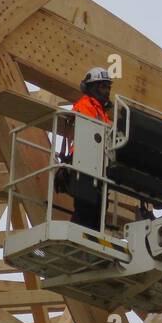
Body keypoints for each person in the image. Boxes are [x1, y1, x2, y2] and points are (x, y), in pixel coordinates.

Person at [67, 67, 112, 228]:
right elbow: (93, 130)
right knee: (85, 208)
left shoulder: (101, 111)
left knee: (98, 211)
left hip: (97, 163)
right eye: (102, 86)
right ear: (91, 87)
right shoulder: (86, 104)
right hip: (83, 160)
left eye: (108, 87)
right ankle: (74, 241)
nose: (106, 91)